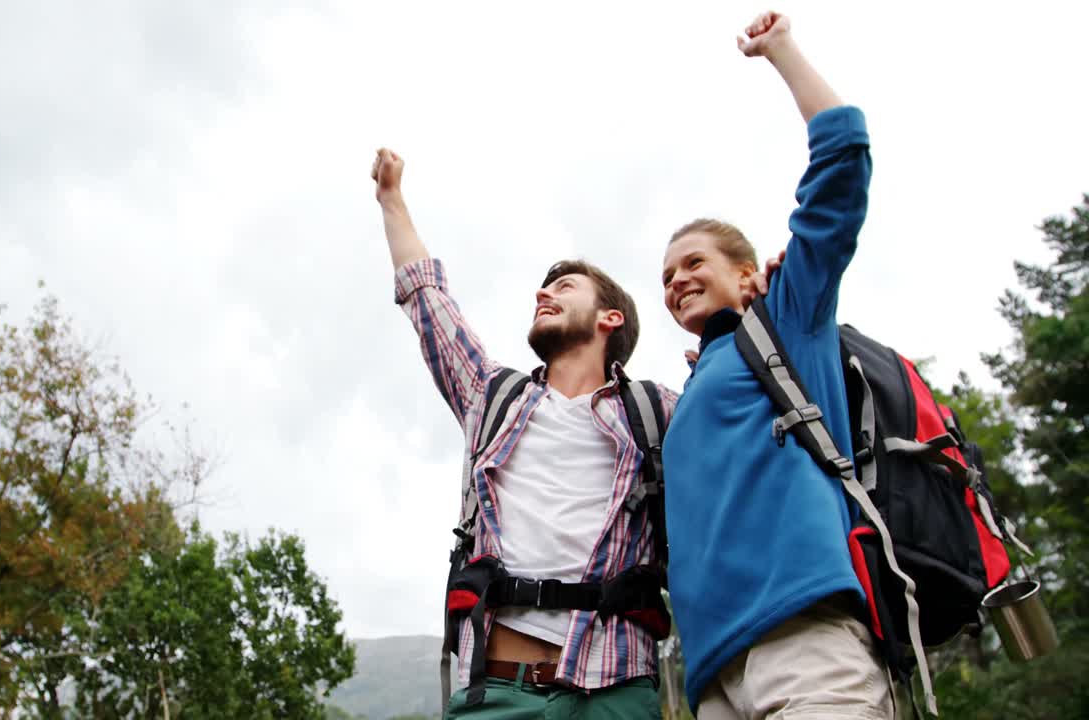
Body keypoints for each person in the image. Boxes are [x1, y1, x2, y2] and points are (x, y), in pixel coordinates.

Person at [372, 146, 681, 718]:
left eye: (565, 287)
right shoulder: (492, 396)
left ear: (609, 318)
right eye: (545, 288)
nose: (545, 293)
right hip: (497, 690)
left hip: (615, 691)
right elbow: (427, 300)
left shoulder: (657, 411)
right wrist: (391, 199)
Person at [659, 12, 892, 720]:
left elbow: (843, 157)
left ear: (743, 271)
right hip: (713, 679)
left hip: (806, 641)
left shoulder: (788, 319)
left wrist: (782, 52)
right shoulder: (689, 388)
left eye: (694, 262)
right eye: (666, 274)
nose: (675, 281)